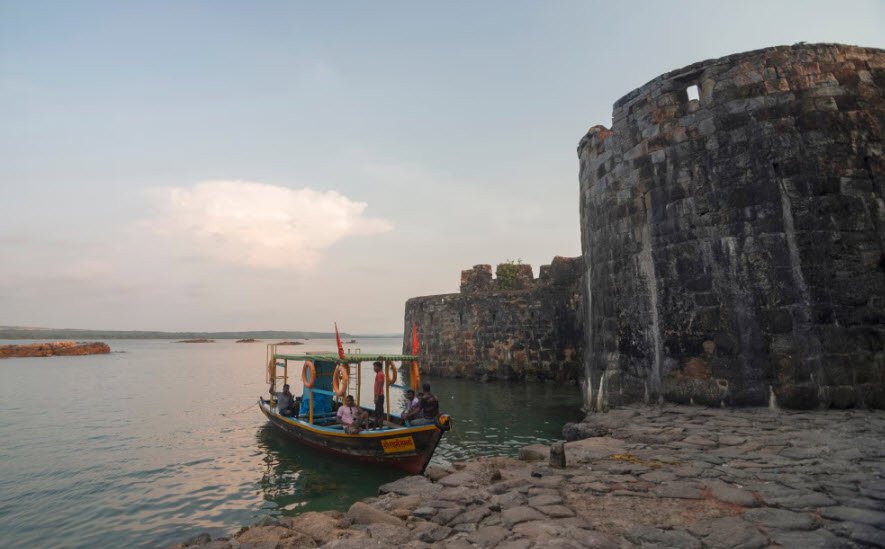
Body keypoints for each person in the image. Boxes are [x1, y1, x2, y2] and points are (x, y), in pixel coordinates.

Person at [373, 360, 385, 427]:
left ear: (379, 367)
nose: (374, 368)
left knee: (378, 411)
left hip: (379, 395)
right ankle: (378, 425)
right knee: (379, 410)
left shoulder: (380, 374)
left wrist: (376, 396)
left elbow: (380, 385)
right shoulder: (379, 373)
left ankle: (378, 425)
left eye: (375, 367)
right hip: (379, 395)